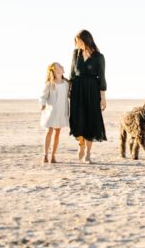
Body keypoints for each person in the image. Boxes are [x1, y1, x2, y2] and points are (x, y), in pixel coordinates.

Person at [68, 29, 107, 164]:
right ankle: (81, 144)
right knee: (78, 120)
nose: (77, 44)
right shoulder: (75, 54)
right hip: (77, 91)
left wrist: (103, 98)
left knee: (91, 121)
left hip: (92, 91)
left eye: (78, 41)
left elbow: (102, 78)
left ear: (86, 40)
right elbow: (72, 75)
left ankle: (88, 153)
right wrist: (69, 91)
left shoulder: (98, 57)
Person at [39, 62, 69, 164]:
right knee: (49, 131)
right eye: (59, 67)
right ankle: (45, 154)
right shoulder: (50, 84)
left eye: (61, 66)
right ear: (55, 71)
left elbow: (69, 95)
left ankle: (53, 156)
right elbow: (43, 96)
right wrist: (42, 104)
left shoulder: (66, 83)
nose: (62, 67)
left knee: (57, 133)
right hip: (51, 112)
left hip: (61, 111)